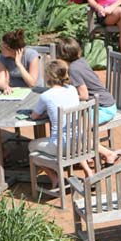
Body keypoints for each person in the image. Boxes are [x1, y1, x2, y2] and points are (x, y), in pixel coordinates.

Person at [28, 60, 93, 188]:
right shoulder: (73, 90)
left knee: (31, 146)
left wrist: (33, 113)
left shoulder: (46, 96)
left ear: (49, 77)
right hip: (78, 142)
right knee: (72, 140)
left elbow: (34, 116)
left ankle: (55, 177)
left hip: (61, 147)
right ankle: (88, 171)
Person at [56, 37, 119, 165]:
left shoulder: (73, 69)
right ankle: (86, 154)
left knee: (75, 130)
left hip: (103, 108)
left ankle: (108, 154)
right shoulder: (81, 61)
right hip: (105, 103)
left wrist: (67, 96)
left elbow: (84, 95)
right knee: (74, 125)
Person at [0, 28, 40, 94]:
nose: (0, 49)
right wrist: (5, 87)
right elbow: (0, 81)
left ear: (11, 50)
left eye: (2, 47)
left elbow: (32, 84)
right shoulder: (2, 57)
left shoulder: (31, 55)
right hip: (15, 91)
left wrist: (19, 64)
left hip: (34, 92)